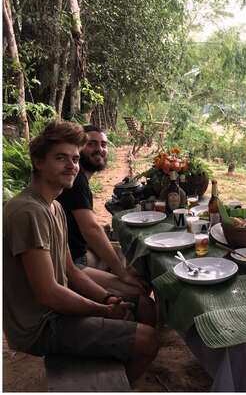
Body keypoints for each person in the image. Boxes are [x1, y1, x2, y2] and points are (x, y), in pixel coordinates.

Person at [3, 121, 159, 385]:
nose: (72, 165)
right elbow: (48, 292)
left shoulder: (54, 207)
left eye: (75, 159)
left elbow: (71, 271)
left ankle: (117, 363)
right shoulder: (28, 211)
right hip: (40, 326)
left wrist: (107, 298)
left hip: (55, 312)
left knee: (137, 306)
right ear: (38, 162)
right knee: (149, 339)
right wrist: (100, 309)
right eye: (61, 158)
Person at [56, 124, 154, 322]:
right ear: (78, 148)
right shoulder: (75, 181)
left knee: (133, 259)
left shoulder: (80, 178)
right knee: (141, 293)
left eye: (103, 144)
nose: (99, 149)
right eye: (91, 144)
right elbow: (91, 230)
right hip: (73, 263)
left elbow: (89, 228)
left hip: (78, 252)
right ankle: (135, 332)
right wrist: (122, 274)